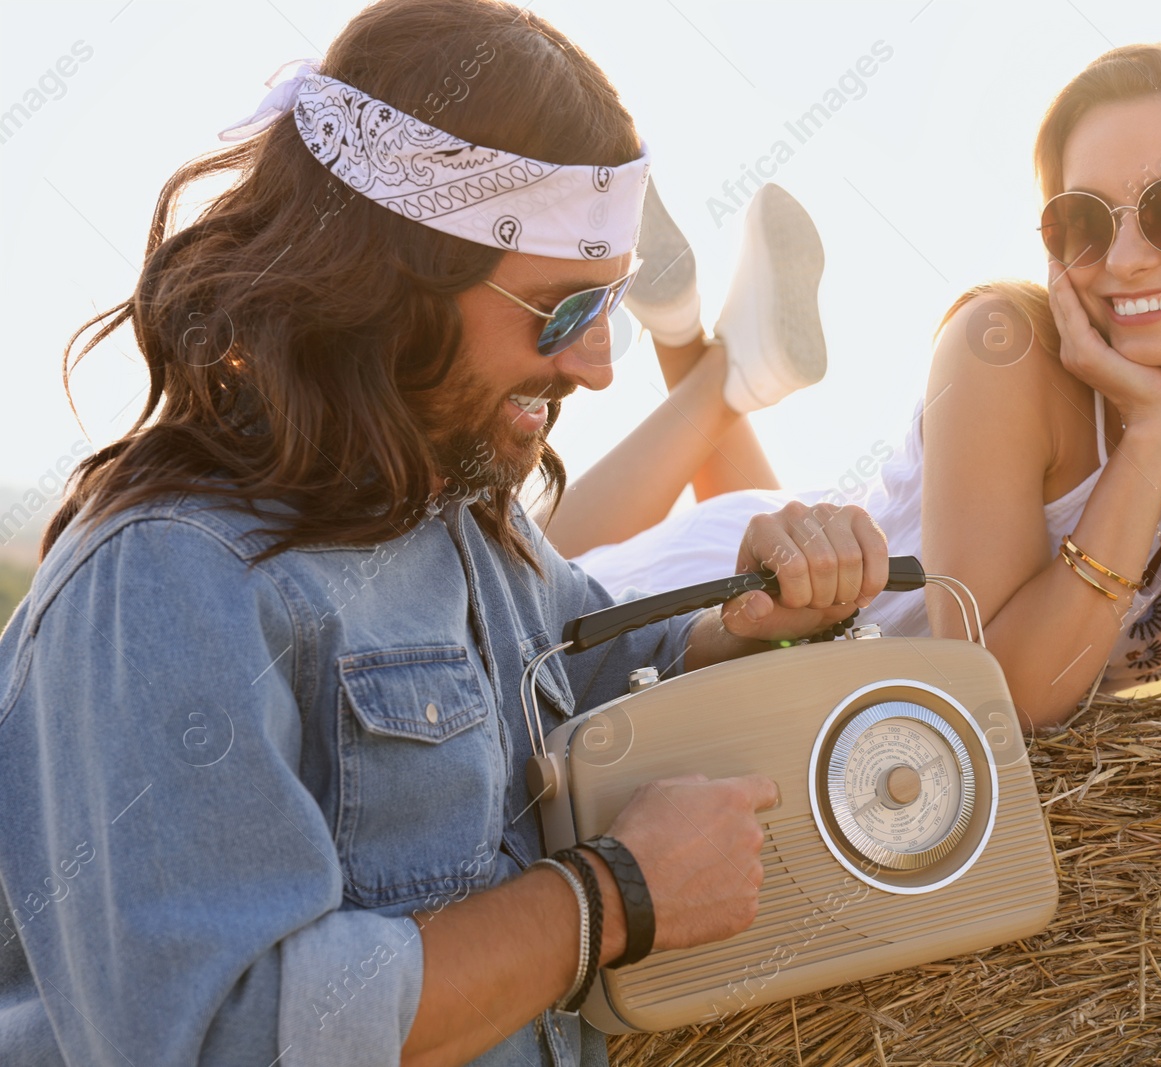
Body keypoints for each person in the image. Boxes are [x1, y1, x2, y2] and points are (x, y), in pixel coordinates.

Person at [0, 2, 889, 1065]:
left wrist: (749, 622)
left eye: (609, 306)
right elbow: (218, 1035)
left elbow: (599, 663)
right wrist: (609, 898)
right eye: (561, 312)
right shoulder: (165, 579)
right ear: (389, 282)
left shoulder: (462, 516)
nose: (597, 365)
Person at [554, 42, 1161, 730]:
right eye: (1084, 221)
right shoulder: (1003, 347)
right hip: (725, 620)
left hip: (831, 576)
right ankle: (708, 364)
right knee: (531, 579)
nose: (1123, 261)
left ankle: (702, 352)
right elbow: (1001, 694)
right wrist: (1157, 430)